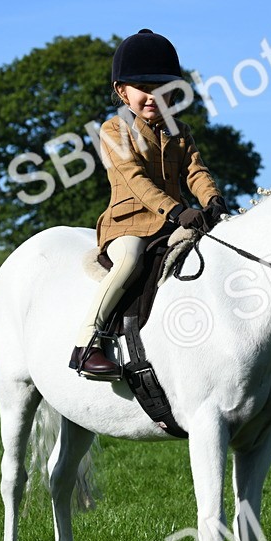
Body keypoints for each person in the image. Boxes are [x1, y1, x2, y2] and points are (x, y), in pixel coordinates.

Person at [69, 29, 227, 378]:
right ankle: (87, 344)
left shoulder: (180, 130)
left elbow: (195, 171)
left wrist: (213, 200)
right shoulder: (114, 130)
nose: (153, 97)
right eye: (143, 88)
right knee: (129, 261)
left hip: (174, 222)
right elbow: (134, 179)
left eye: (162, 88)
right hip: (129, 224)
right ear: (122, 91)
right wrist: (177, 210)